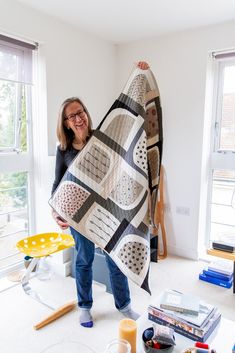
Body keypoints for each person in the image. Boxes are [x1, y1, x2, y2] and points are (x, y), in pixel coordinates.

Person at [51, 61, 150, 328]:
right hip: (80, 216)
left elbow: (127, 129)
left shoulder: (102, 138)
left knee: (115, 261)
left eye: (80, 112)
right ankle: (85, 306)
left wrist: (138, 76)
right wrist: (55, 211)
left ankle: (124, 305)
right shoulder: (64, 150)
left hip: (109, 211)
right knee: (82, 261)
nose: (78, 117)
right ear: (66, 123)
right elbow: (58, 184)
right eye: (71, 116)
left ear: (86, 113)